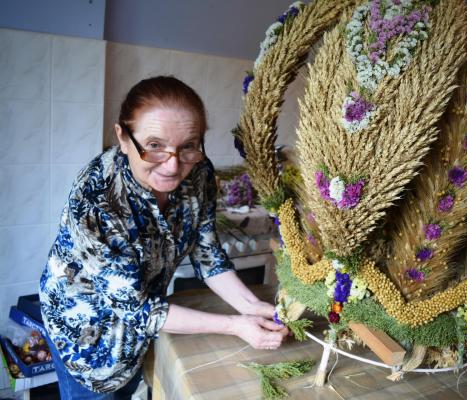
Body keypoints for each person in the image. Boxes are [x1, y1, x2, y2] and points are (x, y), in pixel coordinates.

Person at [39, 76, 288, 399]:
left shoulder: (198, 172)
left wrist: (251, 306)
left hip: (142, 334)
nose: (173, 166)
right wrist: (234, 324)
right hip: (87, 341)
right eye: (154, 146)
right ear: (123, 137)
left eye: (188, 146)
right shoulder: (97, 197)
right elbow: (140, 311)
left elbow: (206, 253)